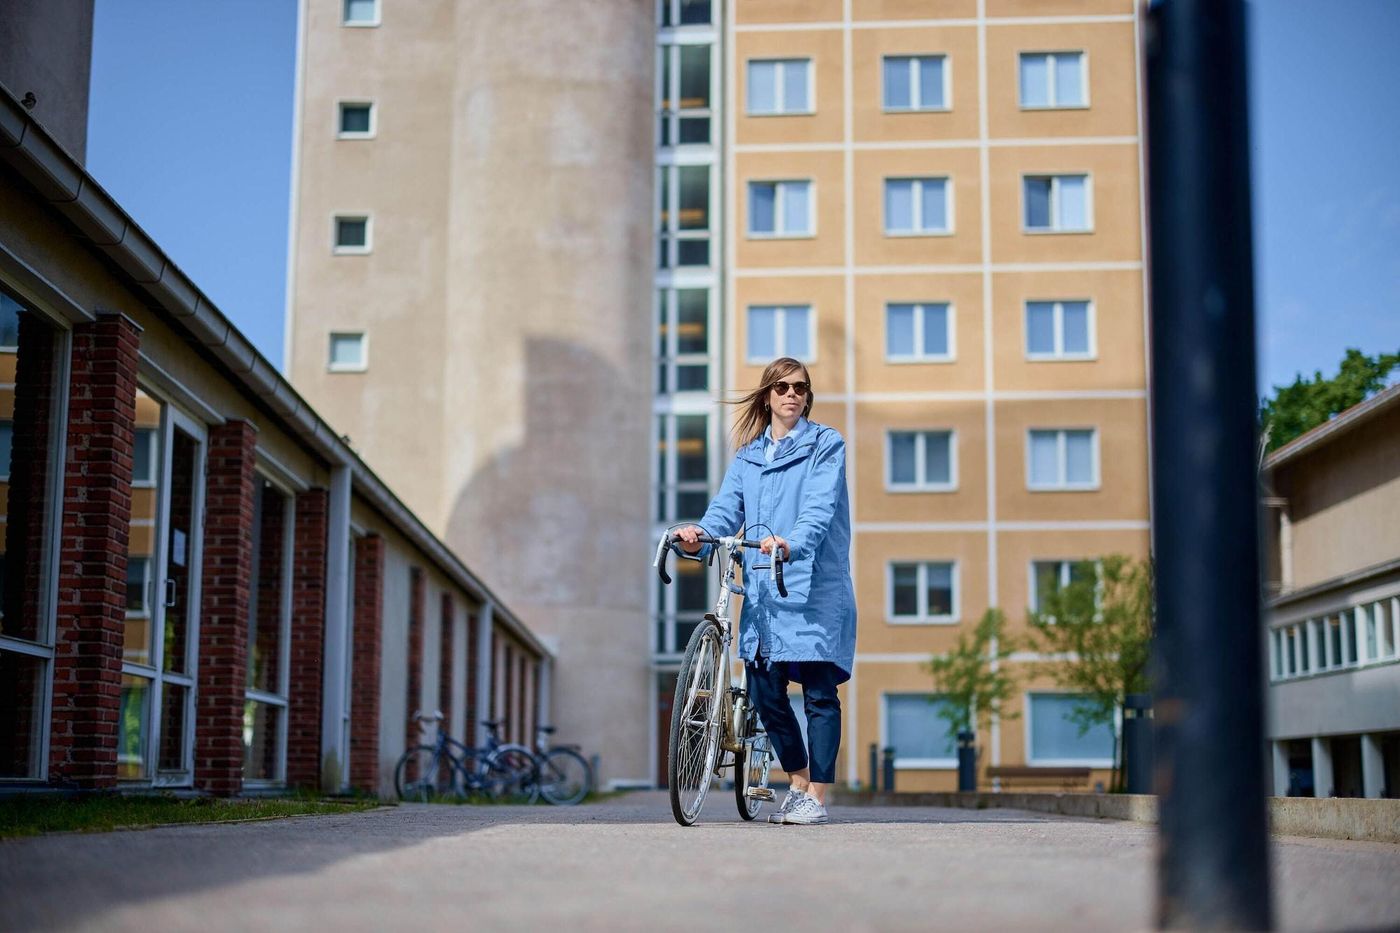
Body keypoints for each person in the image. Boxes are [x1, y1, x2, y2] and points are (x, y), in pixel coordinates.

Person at [675, 356, 856, 826]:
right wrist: (699, 534)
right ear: (767, 396)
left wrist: (791, 543)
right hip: (764, 589)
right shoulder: (749, 456)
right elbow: (724, 511)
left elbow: (818, 509)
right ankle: (796, 780)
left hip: (814, 585)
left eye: (800, 387)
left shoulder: (826, 445)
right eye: (782, 388)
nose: (792, 394)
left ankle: (816, 795)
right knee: (764, 689)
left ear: (807, 396)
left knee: (818, 693)